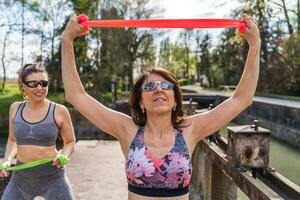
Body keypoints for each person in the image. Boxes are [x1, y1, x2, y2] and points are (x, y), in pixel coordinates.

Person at [61, 13, 260, 199]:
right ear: (140, 101)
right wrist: (67, 41)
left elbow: (241, 99)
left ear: (175, 100)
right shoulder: (127, 130)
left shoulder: (190, 130)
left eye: (165, 85)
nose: (158, 90)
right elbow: (77, 95)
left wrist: (254, 46)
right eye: (149, 86)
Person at [0, 63, 76, 200]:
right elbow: (12, 140)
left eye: (43, 83)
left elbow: (70, 142)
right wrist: (7, 161)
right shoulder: (15, 108)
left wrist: (63, 156)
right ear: (23, 86)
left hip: (53, 178)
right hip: (21, 180)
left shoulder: (59, 111)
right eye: (33, 84)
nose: (40, 88)